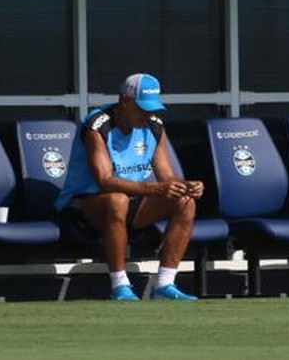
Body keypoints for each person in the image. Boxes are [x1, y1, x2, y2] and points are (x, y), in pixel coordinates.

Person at [54, 73, 204, 301]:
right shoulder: (97, 125)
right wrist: (156, 189)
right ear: (124, 101)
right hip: (86, 206)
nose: (148, 114)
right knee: (117, 200)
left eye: (152, 108)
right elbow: (104, 181)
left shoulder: (154, 126)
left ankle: (164, 284)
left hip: (133, 202)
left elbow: (166, 178)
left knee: (185, 202)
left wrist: (187, 186)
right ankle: (120, 286)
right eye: (143, 108)